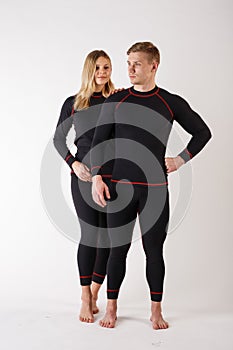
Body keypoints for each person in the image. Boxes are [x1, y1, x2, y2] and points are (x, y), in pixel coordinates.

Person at [91, 41, 212, 329]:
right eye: (128, 62)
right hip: (119, 187)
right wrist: (97, 176)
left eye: (137, 63)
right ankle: (111, 309)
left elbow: (202, 132)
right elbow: (99, 142)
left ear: (153, 66)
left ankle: (156, 311)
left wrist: (181, 159)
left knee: (154, 251)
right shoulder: (116, 101)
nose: (130, 69)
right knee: (117, 249)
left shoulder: (170, 102)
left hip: (154, 190)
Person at [53, 50, 117, 323]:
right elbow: (58, 139)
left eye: (107, 67)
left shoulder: (117, 100)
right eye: (98, 67)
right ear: (89, 70)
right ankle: (84, 298)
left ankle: (94, 292)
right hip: (83, 177)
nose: (102, 72)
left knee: (109, 238)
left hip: (112, 176)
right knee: (90, 233)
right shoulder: (74, 103)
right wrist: (73, 163)